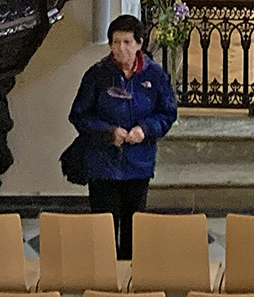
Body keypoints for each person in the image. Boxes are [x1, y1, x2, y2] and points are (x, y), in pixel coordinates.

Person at [69, 15, 178, 260]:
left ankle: (129, 278)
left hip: (138, 164)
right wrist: (109, 132)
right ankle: (106, 282)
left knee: (134, 229)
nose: (121, 49)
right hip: (103, 165)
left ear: (139, 44)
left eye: (127, 42)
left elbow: (167, 112)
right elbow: (79, 115)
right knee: (104, 230)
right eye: (116, 42)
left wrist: (146, 129)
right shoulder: (97, 75)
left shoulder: (155, 76)